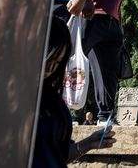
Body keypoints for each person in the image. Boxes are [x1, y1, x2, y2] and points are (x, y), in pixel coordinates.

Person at [32, 16, 115, 167]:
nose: (51, 68)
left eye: (58, 62)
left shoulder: (53, 102)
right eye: (50, 59)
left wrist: (87, 144)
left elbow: (59, 155)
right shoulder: (11, 99)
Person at [67, 0, 124, 123]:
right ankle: (70, 111)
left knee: (109, 71)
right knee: (81, 65)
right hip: (93, 17)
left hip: (112, 20)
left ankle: (107, 114)